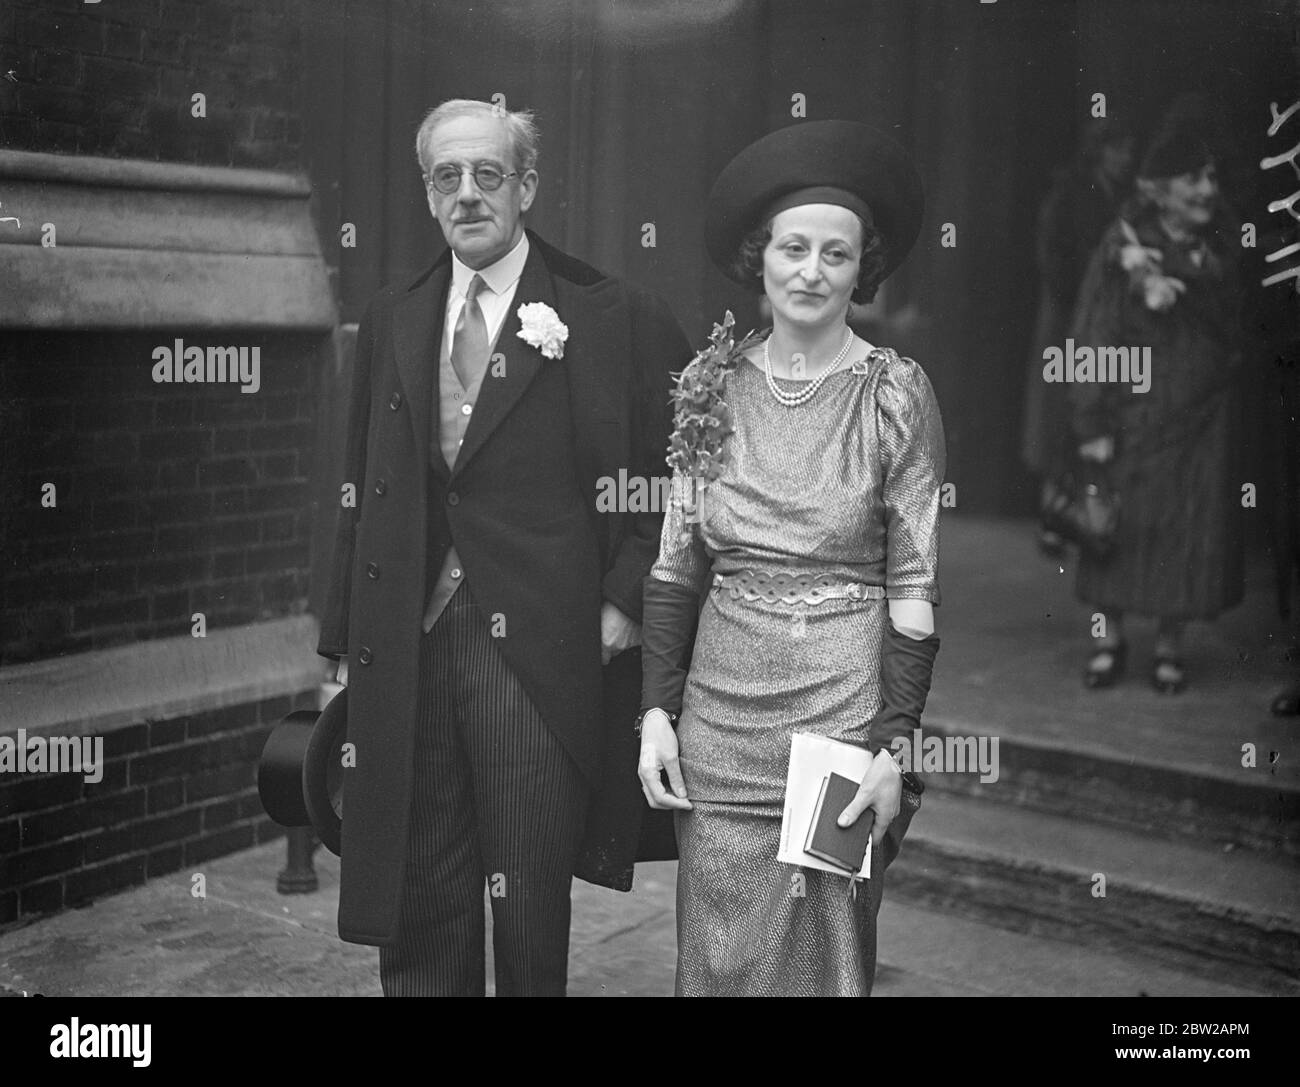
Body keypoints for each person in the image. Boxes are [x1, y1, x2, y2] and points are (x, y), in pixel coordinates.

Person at [316, 98, 690, 995]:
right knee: (420, 896)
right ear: (428, 191)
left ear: (526, 185)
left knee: (526, 907)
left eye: (490, 174)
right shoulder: (395, 316)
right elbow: (359, 496)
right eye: (448, 176)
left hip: (538, 656)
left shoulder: (607, 313)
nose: (469, 194)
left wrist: (622, 604)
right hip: (411, 646)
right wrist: (338, 650)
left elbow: (682, 470)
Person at [636, 120, 945, 996]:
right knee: (718, 949)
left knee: (822, 950)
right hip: (721, 719)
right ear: (759, 258)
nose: (812, 270)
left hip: (839, 714)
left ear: (862, 269)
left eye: (836, 255)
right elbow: (674, 566)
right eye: (794, 247)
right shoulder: (710, 385)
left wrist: (896, 746)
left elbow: (915, 584)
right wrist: (656, 714)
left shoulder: (894, 393)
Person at [1069, 109, 1244, 693]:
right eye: (1194, 178)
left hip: (1201, 420)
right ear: (1157, 188)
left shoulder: (1223, 246)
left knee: (1186, 531)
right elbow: (1093, 334)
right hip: (1134, 415)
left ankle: (1170, 646)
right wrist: (1091, 417)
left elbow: (1242, 325)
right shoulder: (1122, 247)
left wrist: (1195, 275)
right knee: (1118, 528)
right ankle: (1108, 640)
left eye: (1212, 178)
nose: (1207, 191)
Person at [1020, 119, 1135, 555]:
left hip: (1097, 322)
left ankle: (1084, 516)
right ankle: (1053, 519)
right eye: (1118, 149)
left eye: (1128, 150)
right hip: (1066, 319)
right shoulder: (1068, 197)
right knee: (1057, 416)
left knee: (1087, 414)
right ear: (1100, 151)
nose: (1125, 159)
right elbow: (1053, 257)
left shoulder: (1120, 199)